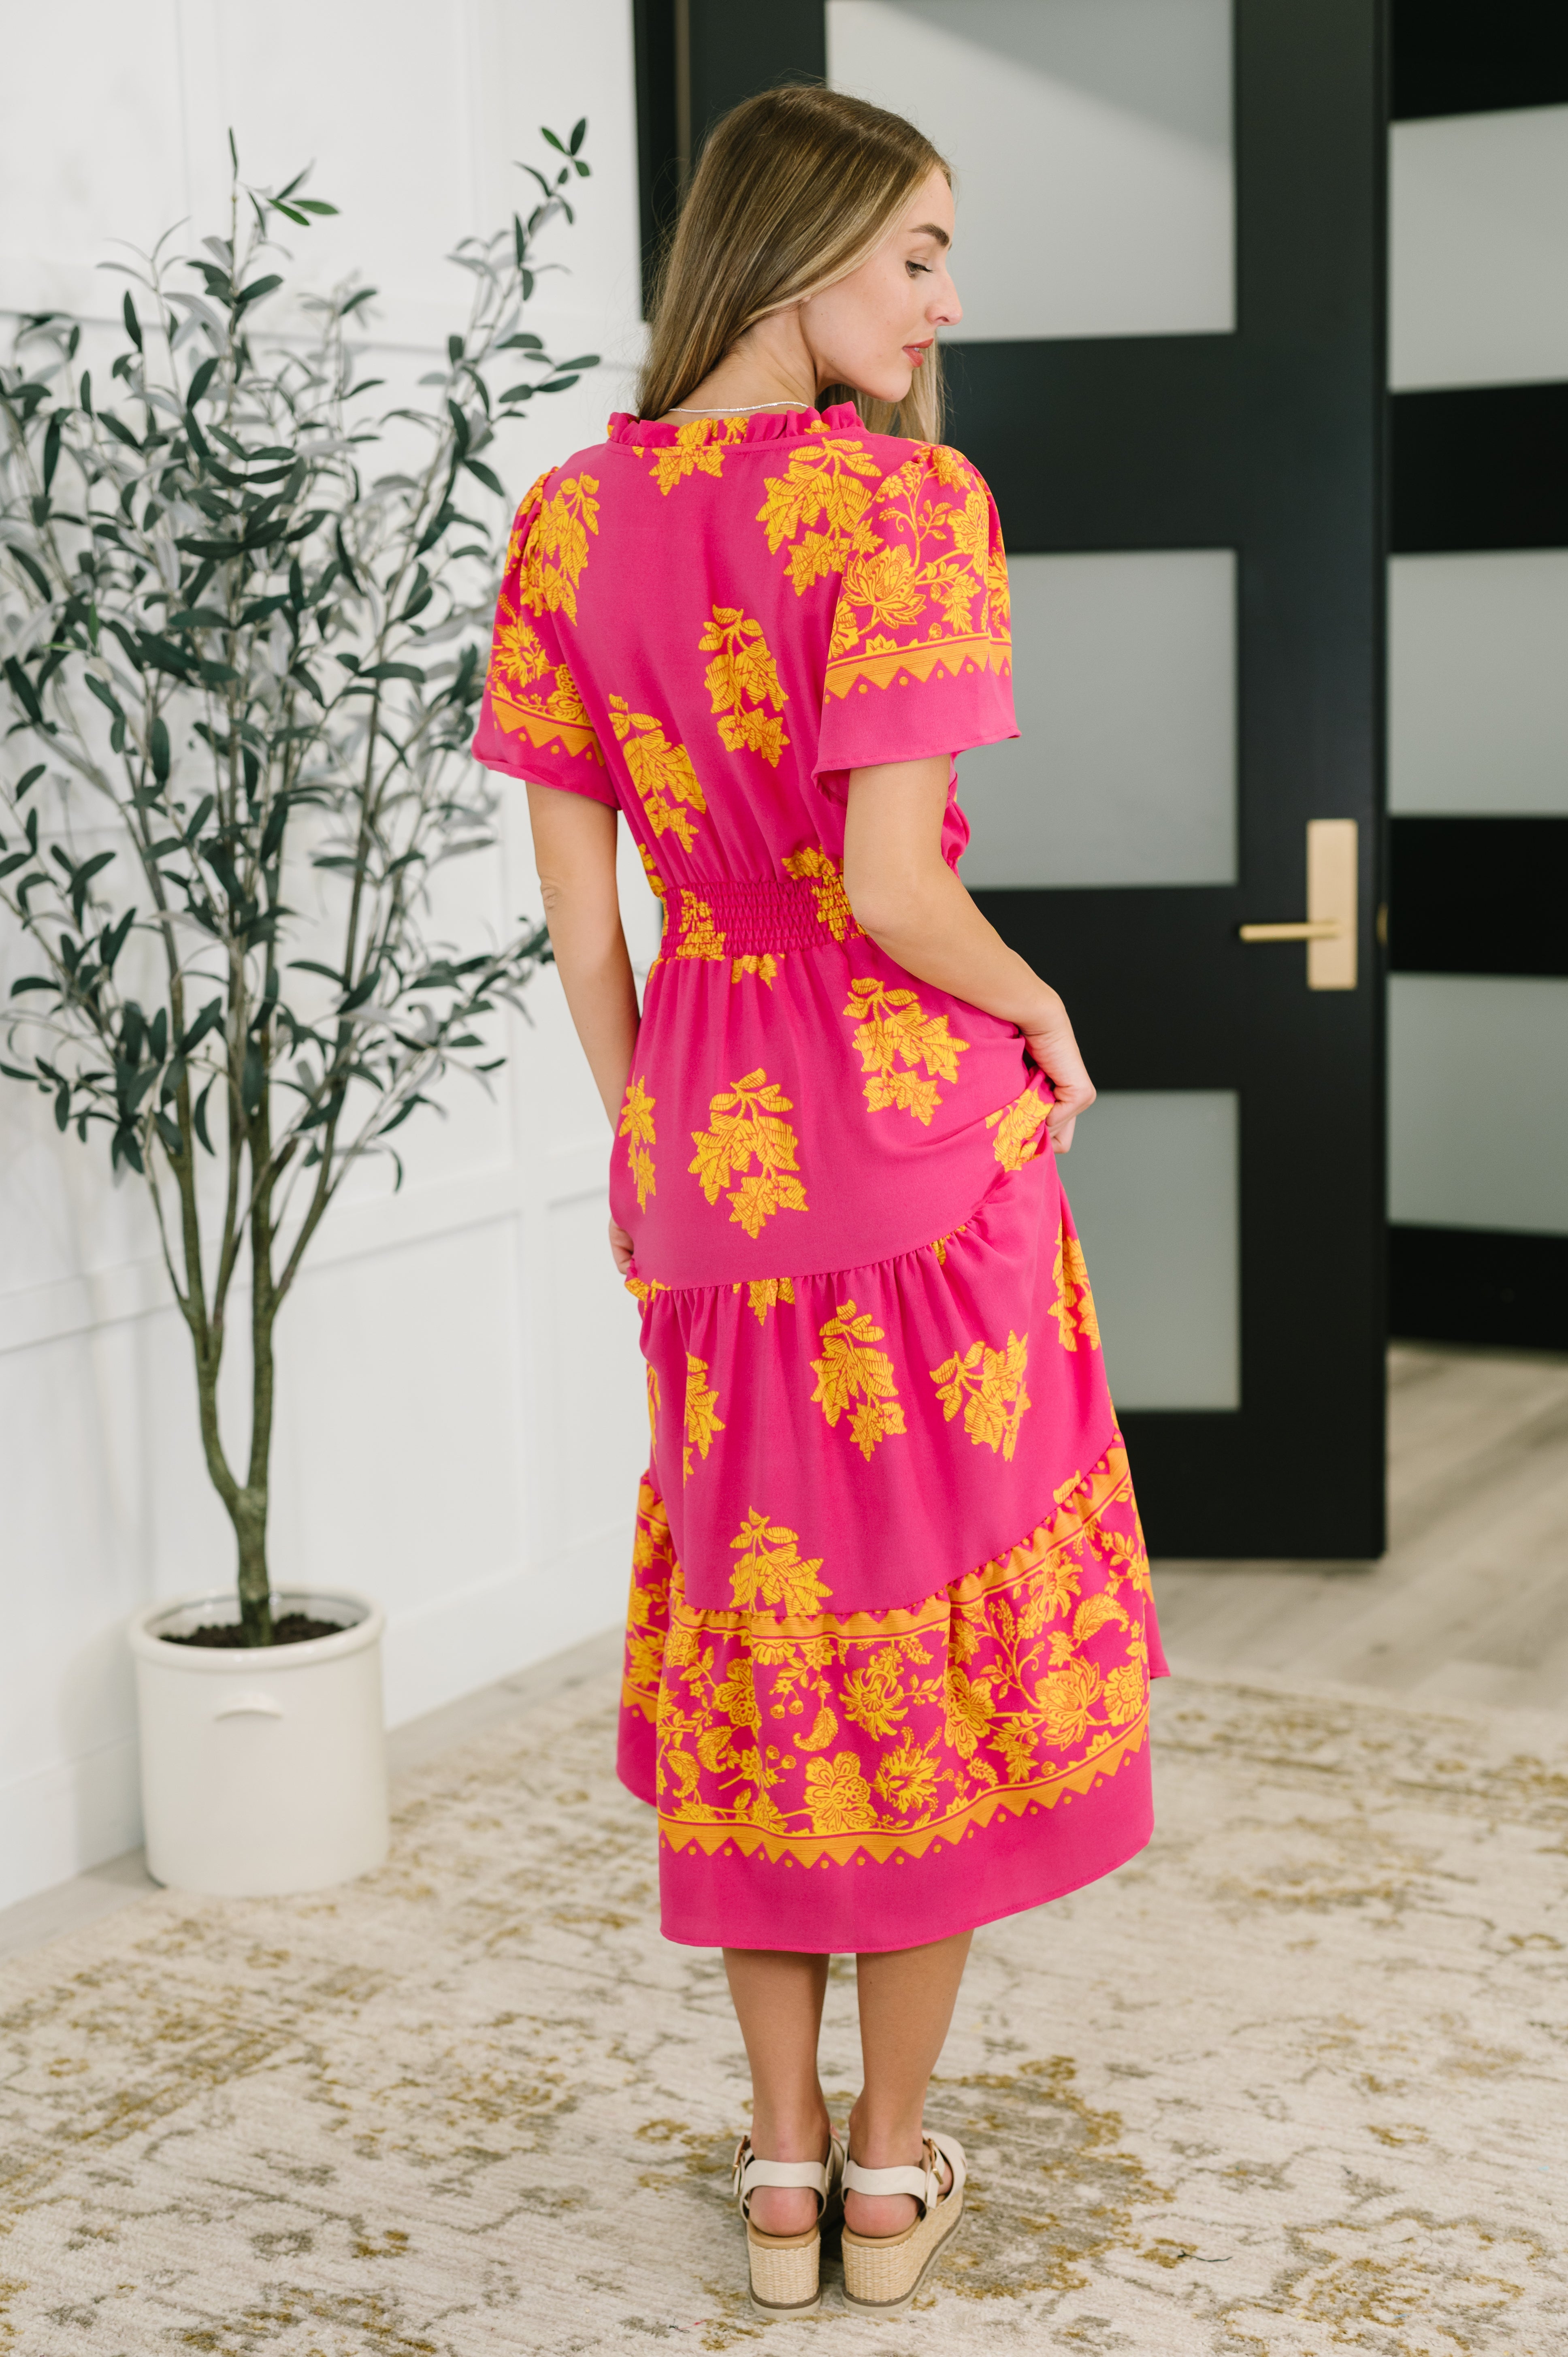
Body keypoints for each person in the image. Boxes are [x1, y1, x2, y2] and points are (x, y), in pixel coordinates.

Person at [472, 83, 1167, 2318]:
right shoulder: (907, 507)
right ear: (790, 261)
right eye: (920, 254)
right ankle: (888, 2183)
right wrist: (1047, 1008)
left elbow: (590, 937)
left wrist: (649, 1145)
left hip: (703, 1155)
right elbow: (890, 885)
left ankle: (775, 2183)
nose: (949, 301)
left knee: (773, 1653)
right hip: (910, 1155)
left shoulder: (571, 522)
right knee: (936, 1661)